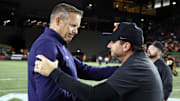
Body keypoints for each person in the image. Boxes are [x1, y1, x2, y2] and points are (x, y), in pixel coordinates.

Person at [34, 22, 163, 101]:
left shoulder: (136, 66)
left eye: (113, 42)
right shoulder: (139, 62)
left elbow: (93, 95)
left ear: (126, 46)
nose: (108, 46)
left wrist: (54, 73)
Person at [28, 3, 119, 101]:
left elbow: (86, 71)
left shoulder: (58, 44)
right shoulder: (46, 45)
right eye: (73, 26)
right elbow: (50, 96)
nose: (76, 31)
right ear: (58, 21)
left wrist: (122, 69)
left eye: (77, 27)